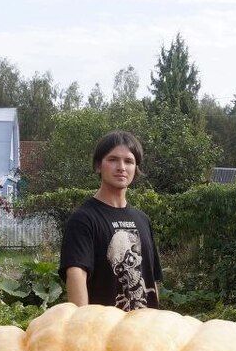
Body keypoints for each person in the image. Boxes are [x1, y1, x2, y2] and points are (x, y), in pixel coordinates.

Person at [59, 131, 162, 310]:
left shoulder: (142, 219)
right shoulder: (83, 219)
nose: (121, 167)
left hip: (145, 332)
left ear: (135, 168)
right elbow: (76, 275)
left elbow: (151, 278)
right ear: (99, 166)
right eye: (113, 159)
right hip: (103, 333)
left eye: (129, 161)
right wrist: (81, 325)